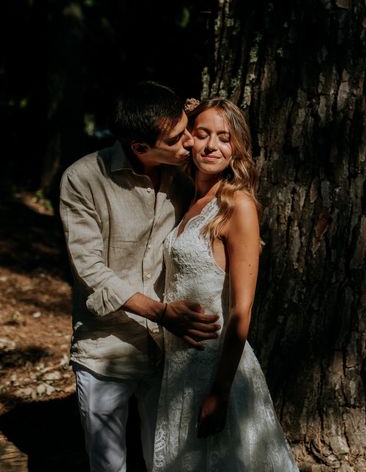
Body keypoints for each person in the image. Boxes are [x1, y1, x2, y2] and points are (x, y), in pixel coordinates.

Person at [59, 81, 221, 472]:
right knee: (109, 465)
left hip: (169, 350)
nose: (190, 143)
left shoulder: (183, 175)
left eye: (188, 129)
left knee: (164, 460)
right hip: (106, 347)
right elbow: (91, 272)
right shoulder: (82, 180)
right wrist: (162, 312)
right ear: (140, 148)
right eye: (178, 137)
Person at [152, 98, 299, 471]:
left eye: (224, 138)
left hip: (217, 368)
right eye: (202, 135)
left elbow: (241, 309)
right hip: (179, 365)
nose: (211, 146)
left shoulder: (238, 206)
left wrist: (219, 391)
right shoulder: (191, 198)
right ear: (189, 138)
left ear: (237, 148)